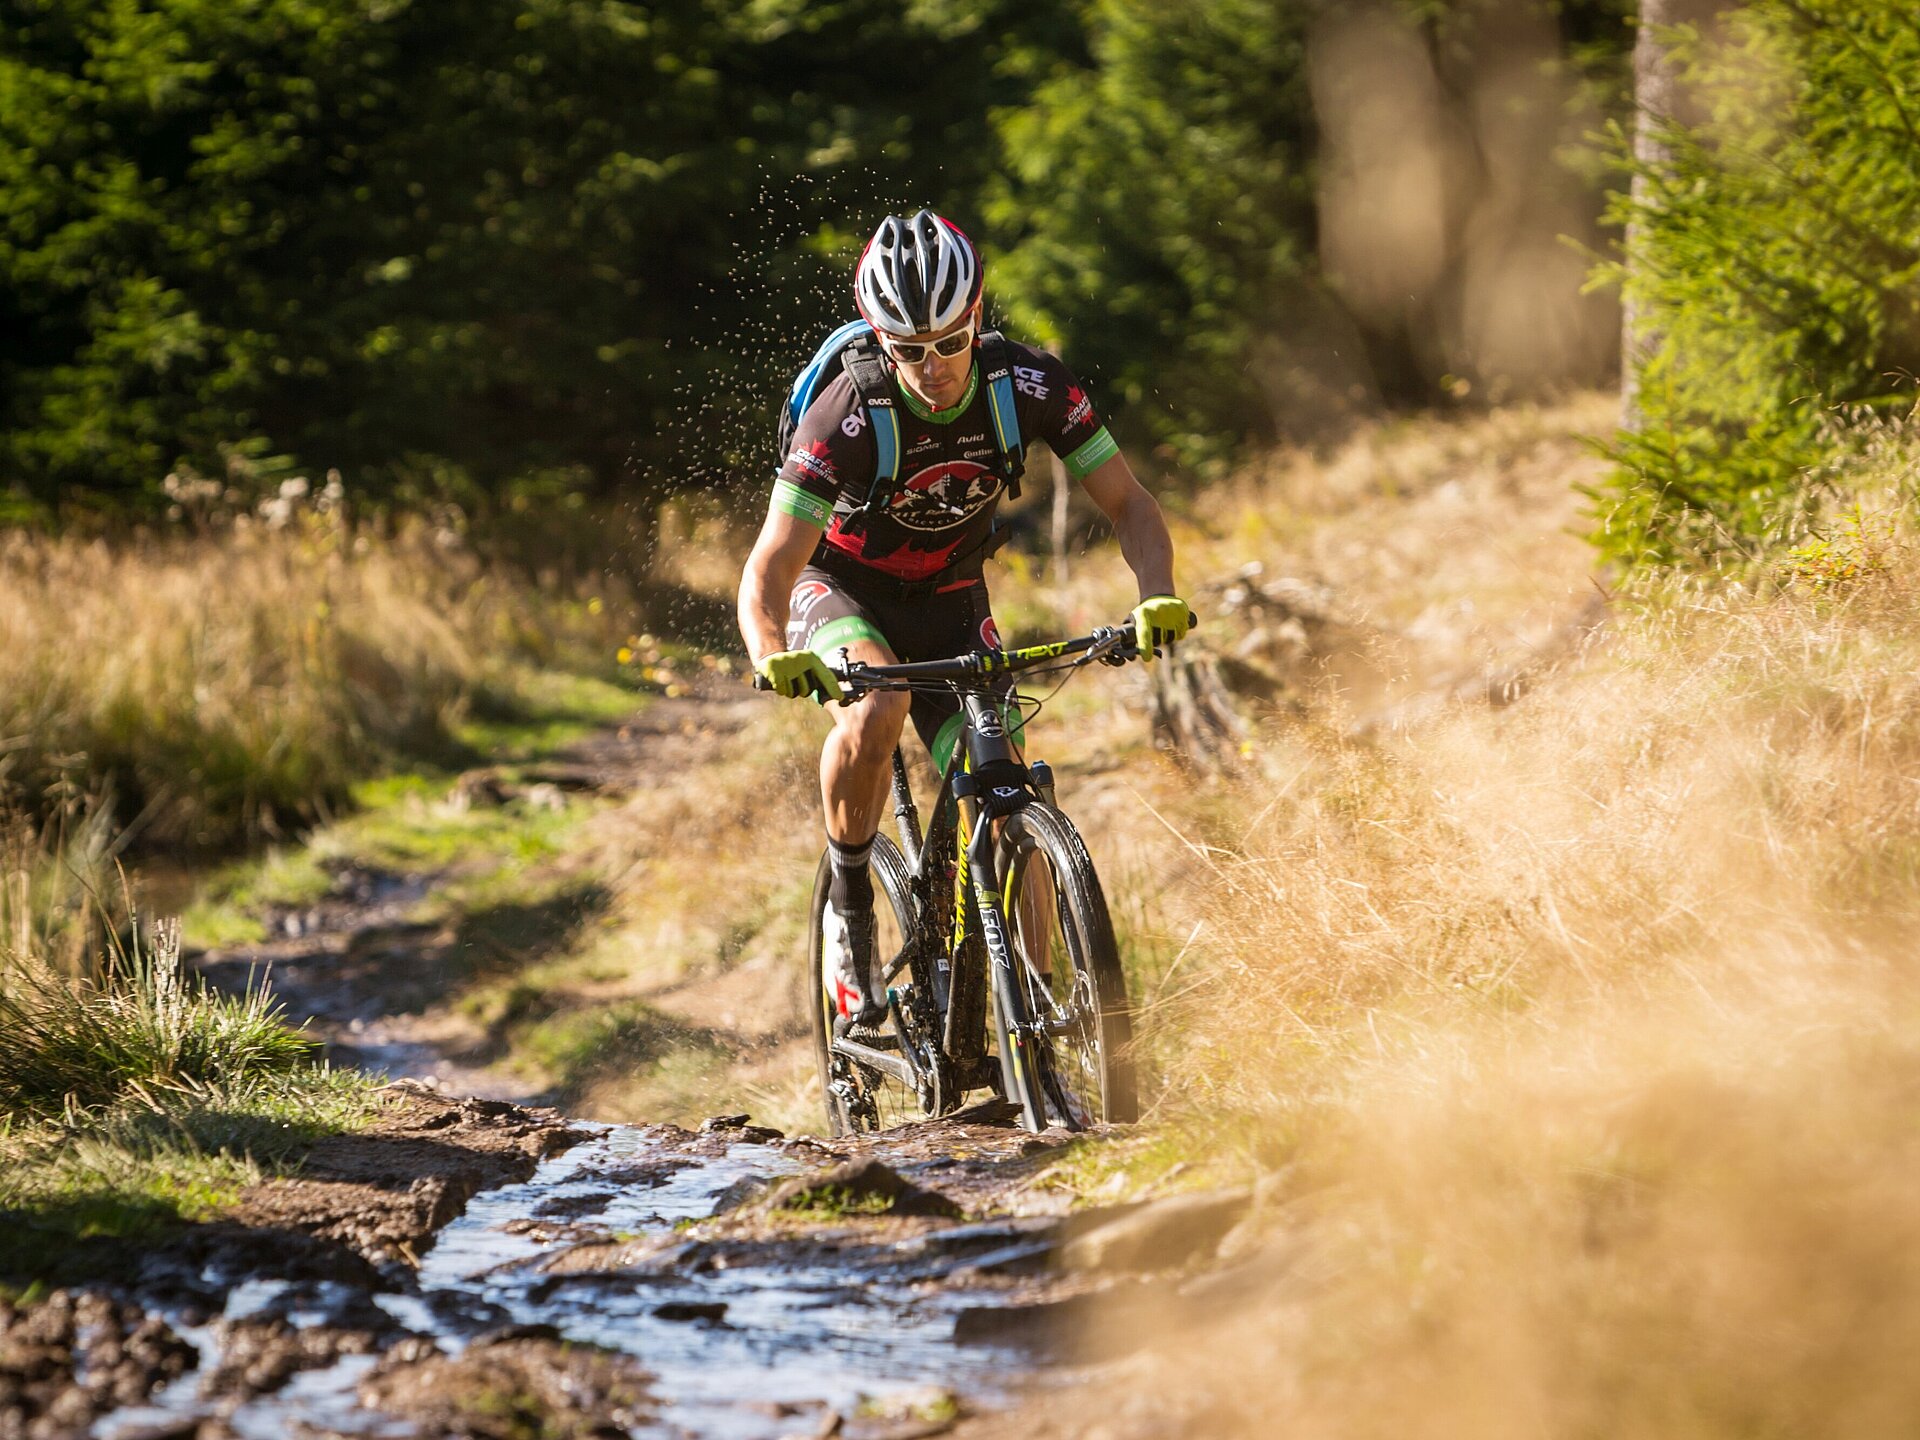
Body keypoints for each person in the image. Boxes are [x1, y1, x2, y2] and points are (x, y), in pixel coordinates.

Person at [736, 209, 1191, 1027]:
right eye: (908, 350)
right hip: (839, 590)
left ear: (977, 316)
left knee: (1007, 779)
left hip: (951, 598)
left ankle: (1045, 1011)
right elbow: (771, 564)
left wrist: (1154, 593)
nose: (933, 366)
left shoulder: (1029, 385)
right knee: (879, 705)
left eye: (949, 342)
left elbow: (1130, 504)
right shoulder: (845, 412)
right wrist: (771, 649)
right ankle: (850, 912)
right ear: (880, 341)